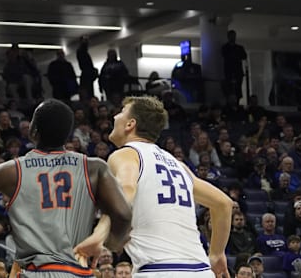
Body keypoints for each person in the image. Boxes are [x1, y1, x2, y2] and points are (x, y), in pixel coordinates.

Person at [0, 99, 132, 276]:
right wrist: (108, 245)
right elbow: (123, 214)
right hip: (78, 271)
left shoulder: (9, 171)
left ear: (33, 131)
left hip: (35, 272)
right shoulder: (94, 168)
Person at [75, 96, 233, 277]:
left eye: (121, 112)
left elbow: (125, 191)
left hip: (159, 270)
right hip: (201, 270)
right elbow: (224, 204)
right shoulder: (178, 165)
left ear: (130, 124)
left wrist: (98, 235)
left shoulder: (126, 154)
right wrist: (217, 253)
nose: (115, 117)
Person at [221, 30, 247, 101]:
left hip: (238, 72)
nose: (233, 38)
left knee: (237, 91)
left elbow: (244, 56)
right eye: (231, 36)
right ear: (228, 37)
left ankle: (237, 104)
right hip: (229, 73)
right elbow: (225, 55)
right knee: (228, 91)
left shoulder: (239, 48)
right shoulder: (225, 47)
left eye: (234, 36)